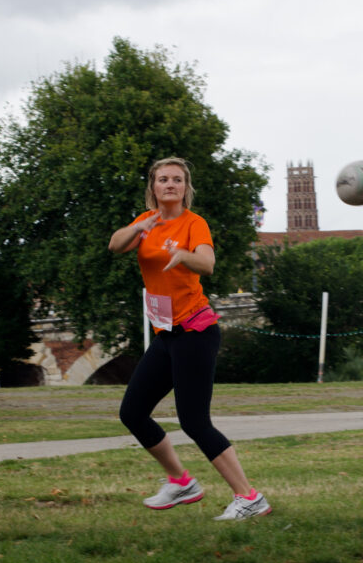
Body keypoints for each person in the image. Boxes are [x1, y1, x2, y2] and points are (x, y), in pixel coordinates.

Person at [109, 157, 271, 520]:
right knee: (133, 412)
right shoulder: (144, 222)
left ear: (185, 187)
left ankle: (249, 496)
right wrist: (138, 229)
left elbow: (207, 263)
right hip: (166, 335)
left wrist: (183, 254)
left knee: (194, 420)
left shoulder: (193, 223)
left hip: (196, 331)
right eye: (163, 179)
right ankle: (181, 481)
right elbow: (115, 245)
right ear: (153, 187)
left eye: (177, 180)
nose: (170, 184)